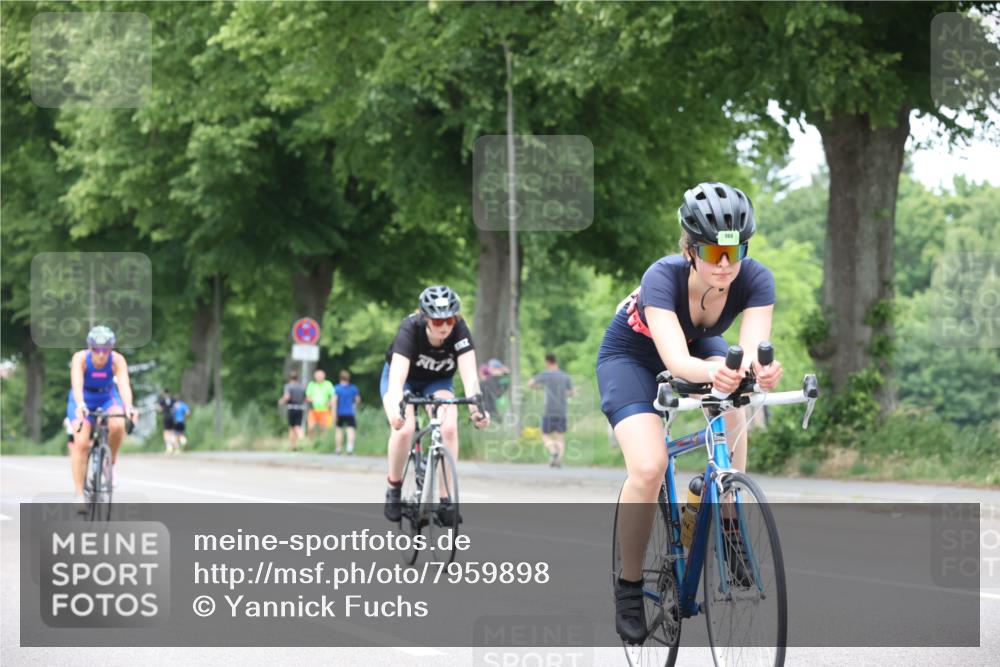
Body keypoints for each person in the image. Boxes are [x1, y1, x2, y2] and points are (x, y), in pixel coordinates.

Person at [597, 182, 783, 644]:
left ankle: (727, 516)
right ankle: (630, 585)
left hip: (699, 346)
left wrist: (761, 372)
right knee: (649, 466)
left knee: (737, 393)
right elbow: (677, 362)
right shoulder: (663, 276)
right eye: (711, 251)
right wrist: (715, 372)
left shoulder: (756, 278)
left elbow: (753, 351)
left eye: (734, 250)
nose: (724, 263)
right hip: (633, 356)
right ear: (689, 248)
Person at [380, 285, 490, 525]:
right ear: (425, 317)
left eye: (450, 320)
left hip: (437, 381)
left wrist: (476, 409)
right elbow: (396, 380)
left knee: (449, 427)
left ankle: (445, 499)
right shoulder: (410, 328)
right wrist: (395, 411)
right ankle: (394, 489)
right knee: (404, 429)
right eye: (437, 321)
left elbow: (470, 377)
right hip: (404, 380)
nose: (445, 327)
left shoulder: (460, 331)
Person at [66, 325, 136, 510]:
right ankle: (79, 493)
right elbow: (77, 384)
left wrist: (128, 407)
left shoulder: (117, 361)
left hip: (106, 396)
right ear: (90, 348)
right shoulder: (80, 359)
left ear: (111, 348)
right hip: (83, 397)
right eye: (96, 349)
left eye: (106, 349)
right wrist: (81, 405)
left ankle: (109, 462)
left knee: (119, 423)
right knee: (81, 443)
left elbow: (124, 385)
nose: (101, 354)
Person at [528, 353, 575, 467]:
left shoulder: (546, 374)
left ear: (548, 362)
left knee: (545, 434)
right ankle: (558, 458)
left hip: (549, 410)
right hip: (562, 410)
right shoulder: (565, 376)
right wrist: (563, 394)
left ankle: (553, 452)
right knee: (560, 436)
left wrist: (538, 387)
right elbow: (572, 392)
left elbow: (530, 383)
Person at [333, 370, 361, 455]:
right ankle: (350, 448)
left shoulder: (337, 388)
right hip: (350, 412)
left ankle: (338, 449)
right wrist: (355, 407)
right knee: (350, 430)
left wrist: (334, 414)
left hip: (340, 412)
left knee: (339, 430)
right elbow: (358, 400)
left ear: (340, 378)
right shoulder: (353, 388)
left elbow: (334, 402)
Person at [278, 371, 307, 451]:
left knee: (292, 428)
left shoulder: (288, 386)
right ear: (297, 378)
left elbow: (287, 397)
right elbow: (306, 398)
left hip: (292, 408)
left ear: (290, 378)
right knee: (298, 426)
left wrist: (281, 401)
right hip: (300, 408)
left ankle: (295, 444)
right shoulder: (302, 386)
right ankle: (295, 445)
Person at [306, 369, 336, 440]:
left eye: (320, 376)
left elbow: (333, 396)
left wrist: (330, 402)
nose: (319, 378)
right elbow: (307, 397)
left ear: (324, 377)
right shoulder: (312, 384)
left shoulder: (328, 384)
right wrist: (311, 400)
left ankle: (323, 442)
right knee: (310, 427)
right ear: (315, 377)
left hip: (324, 410)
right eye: (317, 376)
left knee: (324, 428)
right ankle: (312, 442)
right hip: (313, 410)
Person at [157, 388, 177, 454]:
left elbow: (159, 409)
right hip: (173, 417)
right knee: (173, 432)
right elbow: (176, 407)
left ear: (164, 393)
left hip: (166, 417)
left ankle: (169, 448)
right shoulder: (173, 399)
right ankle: (176, 448)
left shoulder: (162, 400)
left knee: (166, 433)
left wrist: (159, 408)